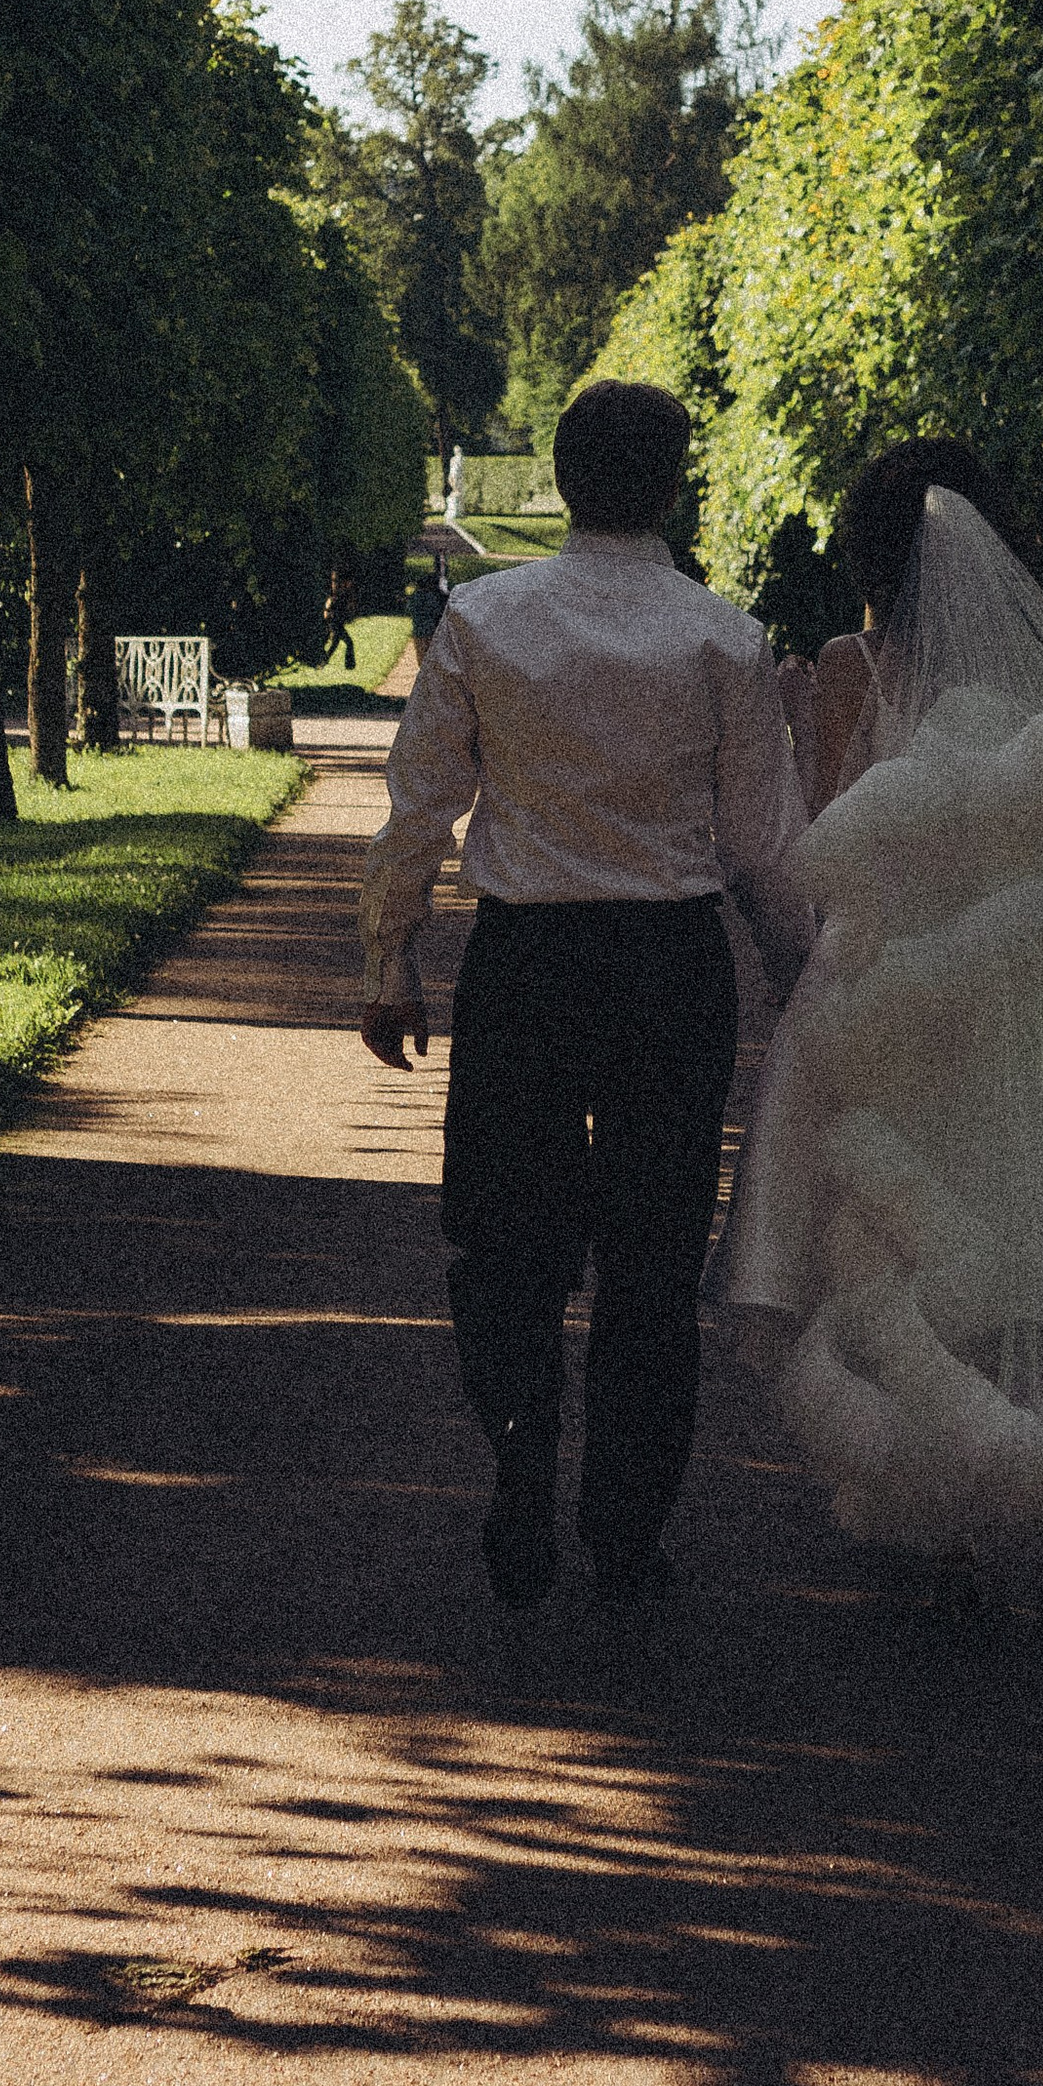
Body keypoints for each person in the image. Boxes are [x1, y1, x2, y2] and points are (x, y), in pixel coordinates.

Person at [718, 444, 1043, 1584]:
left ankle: (915, 1463)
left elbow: (825, 846)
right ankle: (1030, 1440)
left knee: (879, 1218)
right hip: (1011, 971)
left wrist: (808, 715)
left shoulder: (854, 666)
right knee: (1021, 1194)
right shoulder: (1028, 687)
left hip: (882, 979)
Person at [360, 379, 814, 1612]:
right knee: (654, 1259)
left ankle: (519, 1460)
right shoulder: (724, 635)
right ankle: (624, 1530)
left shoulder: (485, 621)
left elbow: (420, 803)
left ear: (562, 480)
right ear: (673, 486)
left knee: (505, 1239)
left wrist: (392, 957)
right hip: (670, 970)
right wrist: (799, 979)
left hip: (528, 967)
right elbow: (763, 846)